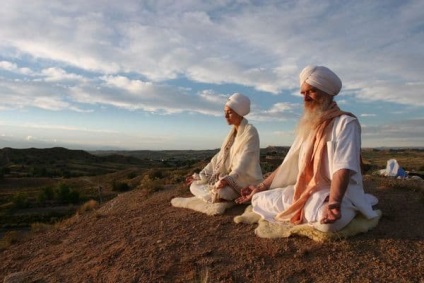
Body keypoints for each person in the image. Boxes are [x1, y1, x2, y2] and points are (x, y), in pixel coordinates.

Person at [236, 65, 379, 232]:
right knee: (259, 199)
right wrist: (261, 187)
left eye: (311, 91)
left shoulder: (346, 124)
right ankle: (310, 209)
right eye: (303, 93)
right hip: (306, 190)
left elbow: (343, 167)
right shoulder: (310, 125)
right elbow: (290, 162)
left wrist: (333, 203)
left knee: (328, 225)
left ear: (327, 93)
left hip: (338, 194)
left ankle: (335, 209)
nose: (305, 98)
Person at [186, 93, 263, 203]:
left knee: (221, 192)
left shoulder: (250, 131)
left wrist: (229, 179)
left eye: (230, 113)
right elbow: (220, 156)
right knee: (194, 185)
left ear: (239, 113)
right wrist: (201, 175)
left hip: (244, 179)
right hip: (227, 176)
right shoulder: (231, 134)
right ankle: (214, 195)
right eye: (225, 112)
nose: (226, 116)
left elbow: (245, 159)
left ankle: (218, 195)